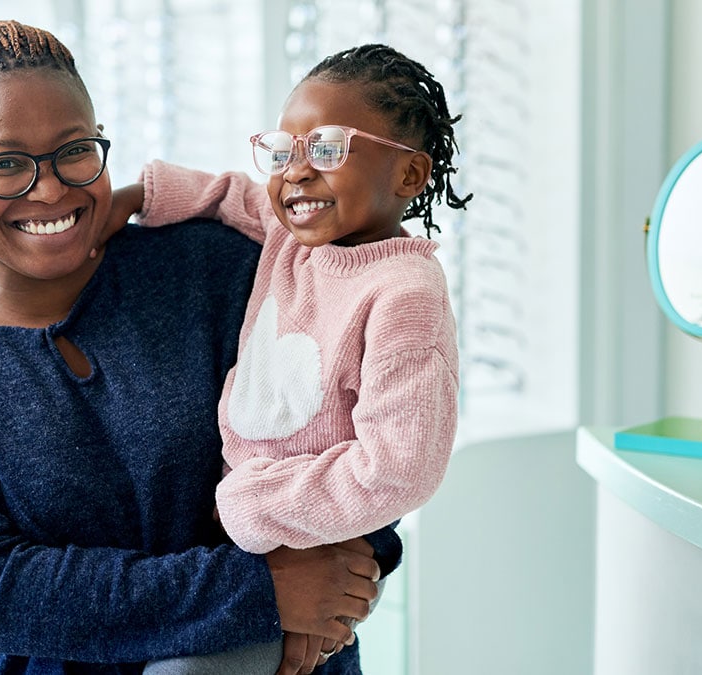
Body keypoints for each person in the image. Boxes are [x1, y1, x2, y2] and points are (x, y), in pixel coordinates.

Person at [0, 19, 400, 675]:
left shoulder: (211, 268)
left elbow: (354, 436)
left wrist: (332, 595)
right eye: (6, 164)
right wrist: (260, 596)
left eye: (74, 151)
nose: (48, 188)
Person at [115, 43, 470, 671]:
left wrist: (261, 511)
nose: (296, 173)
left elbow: (401, 468)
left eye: (328, 149)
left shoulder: (404, 294)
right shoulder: (291, 237)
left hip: (306, 529)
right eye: (282, 152)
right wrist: (133, 196)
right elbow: (227, 193)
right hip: (257, 542)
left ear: (409, 176)